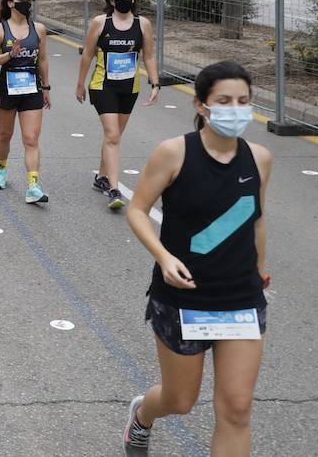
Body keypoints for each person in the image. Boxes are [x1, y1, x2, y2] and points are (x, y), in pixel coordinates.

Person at [122, 61, 271, 454]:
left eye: (243, 101)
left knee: (237, 409)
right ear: (202, 105)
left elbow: (256, 219)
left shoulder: (260, 158)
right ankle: (143, 414)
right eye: (224, 100)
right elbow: (137, 209)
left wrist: (259, 270)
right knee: (180, 401)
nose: (236, 109)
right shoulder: (173, 153)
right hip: (183, 299)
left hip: (241, 299)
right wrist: (164, 257)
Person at [76, 0, 162, 210]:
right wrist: (80, 84)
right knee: (112, 135)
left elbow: (150, 56)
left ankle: (101, 176)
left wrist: (155, 83)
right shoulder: (100, 23)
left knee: (114, 136)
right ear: (111, 1)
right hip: (102, 86)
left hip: (129, 88)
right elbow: (87, 54)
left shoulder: (142, 24)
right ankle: (114, 189)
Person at [0, 0, 51, 204]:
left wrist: (47, 88)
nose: (27, 5)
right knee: (5, 135)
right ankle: (2, 169)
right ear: (11, 3)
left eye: (29, 1)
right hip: (7, 87)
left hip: (32, 88)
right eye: (22, 0)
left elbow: (42, 59)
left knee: (31, 139)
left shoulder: (38, 28)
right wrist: (9, 54)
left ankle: (33, 186)